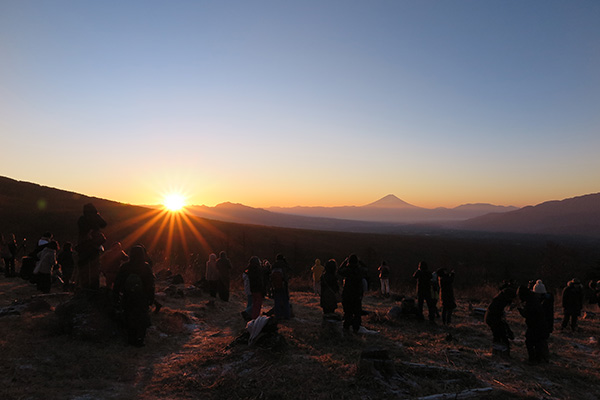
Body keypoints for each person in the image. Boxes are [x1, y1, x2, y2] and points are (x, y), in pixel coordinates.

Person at [113, 245, 155, 347]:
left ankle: (131, 338)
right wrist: (151, 298)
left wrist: (116, 296)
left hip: (128, 297)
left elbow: (117, 283)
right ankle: (140, 339)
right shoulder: (146, 267)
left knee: (129, 316)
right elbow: (151, 284)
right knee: (141, 318)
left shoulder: (125, 267)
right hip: (142, 297)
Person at [76, 203, 107, 290]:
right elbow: (104, 224)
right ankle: (94, 288)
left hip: (83, 245)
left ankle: (83, 288)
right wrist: (97, 215)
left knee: (83, 268)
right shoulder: (96, 218)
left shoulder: (81, 219)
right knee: (94, 268)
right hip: (94, 246)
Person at [517, 286, 550, 364]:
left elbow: (526, 314)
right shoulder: (533, 299)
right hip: (539, 325)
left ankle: (533, 359)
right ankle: (538, 359)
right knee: (537, 342)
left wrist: (519, 308)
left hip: (535, 325)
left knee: (530, 342)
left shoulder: (531, 302)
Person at [338, 254, 368, 333]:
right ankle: (356, 328)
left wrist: (344, 262)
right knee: (357, 312)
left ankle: (346, 327)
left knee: (348, 312)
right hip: (357, 295)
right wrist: (360, 261)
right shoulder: (360, 271)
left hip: (347, 294)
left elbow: (339, 271)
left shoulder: (347, 270)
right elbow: (366, 268)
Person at [485, 283, 516, 358]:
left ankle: (499, 353)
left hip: (493, 318)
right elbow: (497, 315)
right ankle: (499, 354)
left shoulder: (499, 299)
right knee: (499, 335)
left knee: (500, 335)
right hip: (492, 319)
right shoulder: (499, 301)